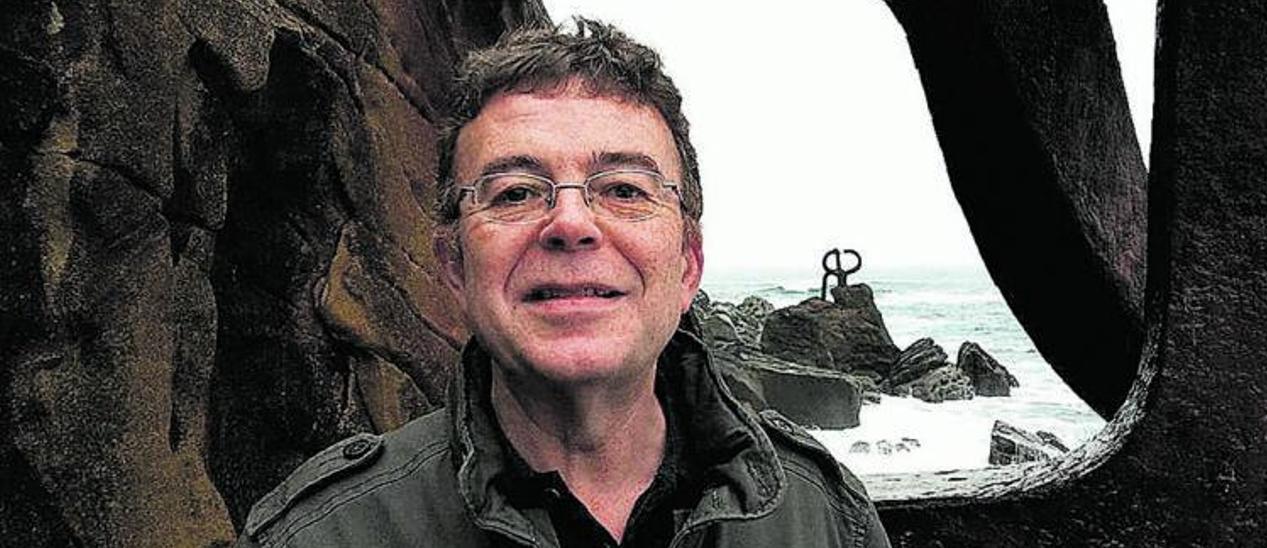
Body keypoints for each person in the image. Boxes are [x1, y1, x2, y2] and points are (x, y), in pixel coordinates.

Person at [235, 18, 890, 548]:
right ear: (455, 267)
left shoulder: (827, 519)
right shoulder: (322, 534)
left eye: (625, 190)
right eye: (517, 191)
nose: (570, 222)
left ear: (688, 264)